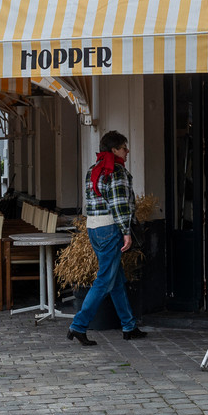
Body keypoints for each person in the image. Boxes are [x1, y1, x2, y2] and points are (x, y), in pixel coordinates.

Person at [67, 130, 146, 345]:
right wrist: (126, 232)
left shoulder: (93, 169)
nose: (127, 151)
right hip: (111, 229)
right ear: (114, 149)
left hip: (94, 228)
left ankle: (129, 326)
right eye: (123, 147)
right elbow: (119, 205)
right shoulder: (116, 171)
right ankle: (78, 325)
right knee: (104, 280)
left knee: (116, 280)